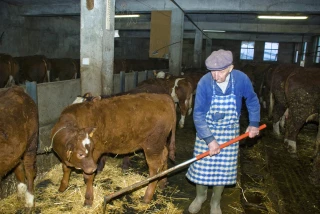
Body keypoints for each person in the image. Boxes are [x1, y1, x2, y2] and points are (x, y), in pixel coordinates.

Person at [186, 49, 260, 214]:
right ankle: (200, 196)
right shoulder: (205, 82)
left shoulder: (241, 79)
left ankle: (215, 202)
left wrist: (254, 123)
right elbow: (198, 114)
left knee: (223, 168)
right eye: (212, 71)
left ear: (230, 68)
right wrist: (210, 140)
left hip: (229, 130)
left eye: (220, 71)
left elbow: (252, 99)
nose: (215, 75)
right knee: (201, 166)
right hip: (206, 129)